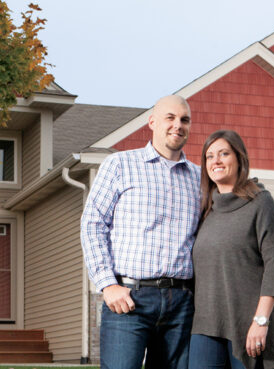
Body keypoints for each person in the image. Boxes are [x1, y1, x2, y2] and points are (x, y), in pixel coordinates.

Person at [81, 95, 201, 369]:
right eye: (170, 118)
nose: (177, 125)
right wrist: (107, 284)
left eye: (184, 120)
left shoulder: (198, 178)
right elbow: (93, 224)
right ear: (152, 122)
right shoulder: (120, 165)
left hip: (181, 304)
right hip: (128, 298)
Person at [188, 130, 274, 369]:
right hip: (205, 326)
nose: (216, 161)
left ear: (239, 158)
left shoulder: (261, 203)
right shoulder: (207, 209)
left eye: (224, 153)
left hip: (247, 324)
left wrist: (261, 321)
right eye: (210, 156)